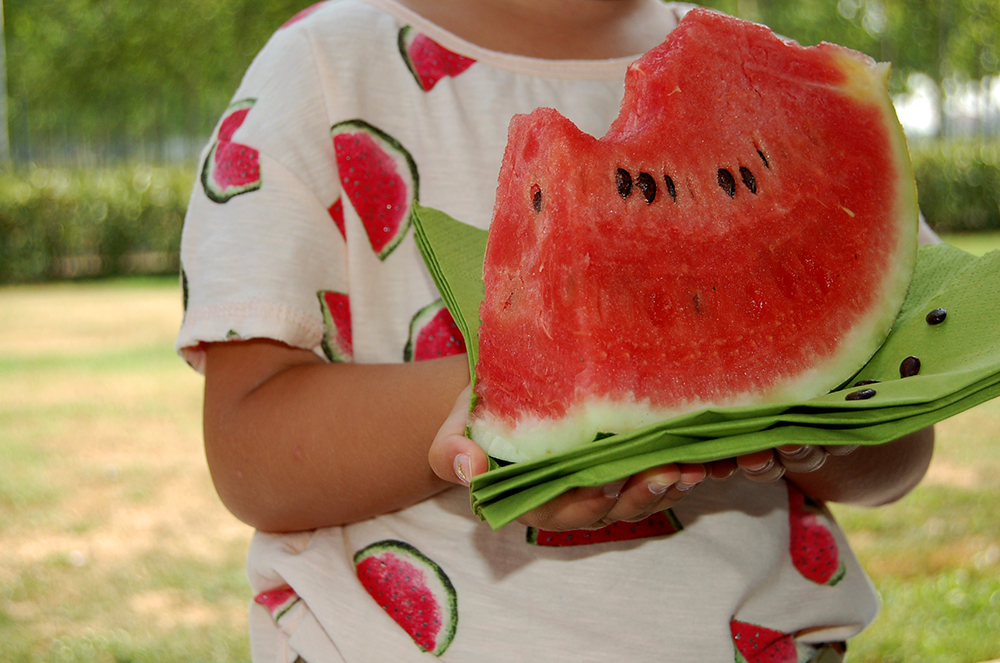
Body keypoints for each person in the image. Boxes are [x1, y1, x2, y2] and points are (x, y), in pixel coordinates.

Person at [176, 0, 937, 660]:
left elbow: (901, 454)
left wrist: (820, 424)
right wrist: (503, 394)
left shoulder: (775, 80)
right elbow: (249, 450)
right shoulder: (324, 66)